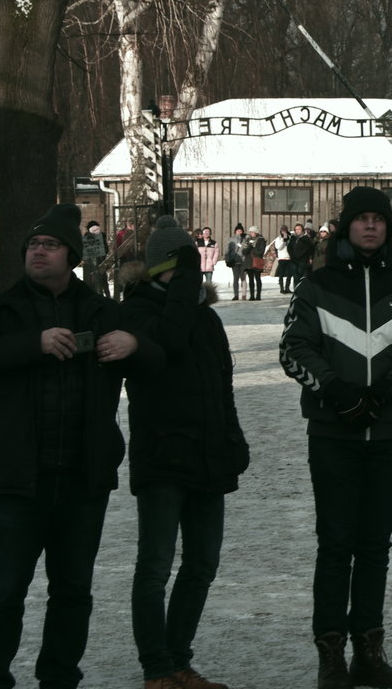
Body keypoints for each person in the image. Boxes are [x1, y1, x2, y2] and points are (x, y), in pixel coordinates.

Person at [0, 203, 162, 689]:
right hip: (14, 480)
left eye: (51, 245)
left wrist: (134, 345)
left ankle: (60, 680)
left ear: (72, 257)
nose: (39, 252)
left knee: (73, 592)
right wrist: (33, 344)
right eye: (33, 245)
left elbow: (159, 360)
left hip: (83, 479)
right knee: (3, 592)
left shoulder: (102, 311)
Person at [280, 186, 392, 689]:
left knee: (375, 546)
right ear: (346, 227)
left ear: (388, 228)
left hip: (390, 436)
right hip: (332, 436)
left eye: (379, 218)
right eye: (361, 218)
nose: (370, 225)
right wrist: (337, 393)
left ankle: (369, 653)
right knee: (335, 545)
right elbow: (293, 349)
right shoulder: (316, 286)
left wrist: (388, 391)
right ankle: (331, 656)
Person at [121, 216, 250, 689]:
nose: (189, 276)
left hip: (208, 454)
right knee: (155, 567)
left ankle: (178, 660)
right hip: (162, 458)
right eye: (181, 267)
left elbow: (222, 386)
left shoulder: (206, 318)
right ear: (158, 269)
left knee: (202, 565)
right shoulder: (137, 312)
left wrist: (233, 438)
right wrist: (180, 292)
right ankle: (156, 668)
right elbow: (169, 340)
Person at [82, 220, 110, 298]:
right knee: (103, 281)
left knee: (92, 282)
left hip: (90, 264)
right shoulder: (102, 235)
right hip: (100, 261)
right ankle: (107, 296)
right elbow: (106, 249)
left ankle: (94, 297)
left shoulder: (86, 236)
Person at [241, 227, 265, 301]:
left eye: (252, 232)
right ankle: (252, 296)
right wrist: (249, 246)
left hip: (257, 261)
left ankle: (258, 295)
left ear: (256, 233)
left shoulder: (261, 240)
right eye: (250, 232)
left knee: (257, 278)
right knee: (251, 279)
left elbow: (260, 252)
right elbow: (244, 251)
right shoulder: (248, 240)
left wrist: (253, 248)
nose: (251, 233)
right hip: (249, 262)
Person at [269, 225, 294, 294]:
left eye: (285, 230)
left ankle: (287, 287)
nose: (284, 232)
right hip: (282, 258)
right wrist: (283, 241)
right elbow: (278, 247)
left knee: (289, 274)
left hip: (289, 258)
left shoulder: (290, 237)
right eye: (282, 230)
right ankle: (281, 288)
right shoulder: (278, 239)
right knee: (281, 274)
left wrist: (288, 239)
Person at [224, 225, 246, 301]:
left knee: (243, 278)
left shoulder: (245, 239)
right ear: (235, 231)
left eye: (241, 231)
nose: (239, 232)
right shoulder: (231, 239)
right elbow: (227, 251)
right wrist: (227, 260)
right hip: (234, 261)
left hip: (243, 261)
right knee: (235, 279)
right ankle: (236, 295)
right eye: (238, 231)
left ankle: (244, 295)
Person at [291, 222, 317, 288]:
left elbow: (309, 249)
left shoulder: (306, 239)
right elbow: (289, 248)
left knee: (301, 277)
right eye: (296, 229)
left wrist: (308, 257)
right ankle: (296, 290)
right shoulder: (293, 239)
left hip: (302, 260)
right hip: (294, 261)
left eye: (299, 229)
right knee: (295, 277)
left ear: (302, 230)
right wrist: (292, 255)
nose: (297, 231)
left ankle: (301, 290)